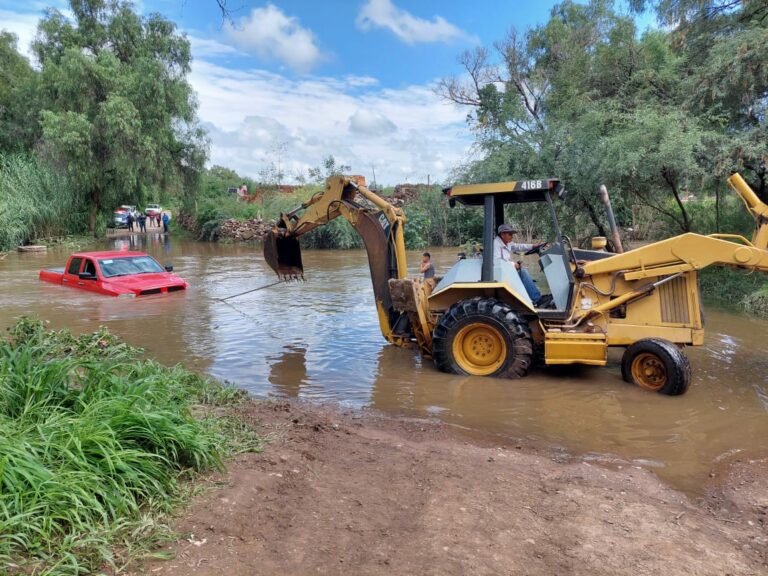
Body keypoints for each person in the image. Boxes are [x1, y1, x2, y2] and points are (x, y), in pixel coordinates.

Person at [493, 223, 545, 305]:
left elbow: (519, 246)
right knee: (523, 272)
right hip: (498, 274)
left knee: (527, 275)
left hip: (505, 270)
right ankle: (537, 299)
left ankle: (533, 297)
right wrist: (513, 265)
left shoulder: (507, 243)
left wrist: (533, 246)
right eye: (510, 234)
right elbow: (497, 261)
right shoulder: (496, 244)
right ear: (502, 234)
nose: (512, 236)